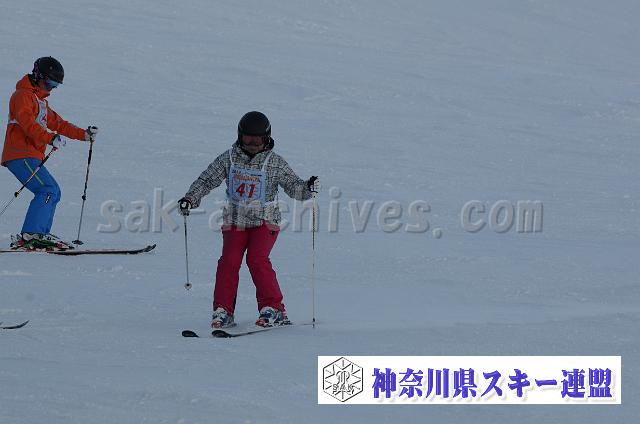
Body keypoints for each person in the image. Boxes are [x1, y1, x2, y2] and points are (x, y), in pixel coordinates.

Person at [179, 111, 320, 328]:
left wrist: (308, 188)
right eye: (248, 138)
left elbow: (294, 188)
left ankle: (274, 308)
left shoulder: (274, 163)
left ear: (267, 138)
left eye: (258, 140)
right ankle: (223, 310)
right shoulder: (229, 158)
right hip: (235, 220)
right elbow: (207, 180)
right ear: (240, 136)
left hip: (265, 220)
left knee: (256, 259)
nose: (253, 144)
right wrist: (190, 198)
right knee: (229, 261)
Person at [2, 57, 98, 250]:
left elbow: (60, 124)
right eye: (49, 83)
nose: (51, 89)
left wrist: (84, 135)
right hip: (20, 153)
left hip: (30, 155)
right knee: (47, 189)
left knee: (53, 191)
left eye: (55, 85)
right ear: (38, 76)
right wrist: (50, 138)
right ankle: (33, 234)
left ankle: (39, 234)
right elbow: (27, 124)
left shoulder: (40, 103)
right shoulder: (22, 96)